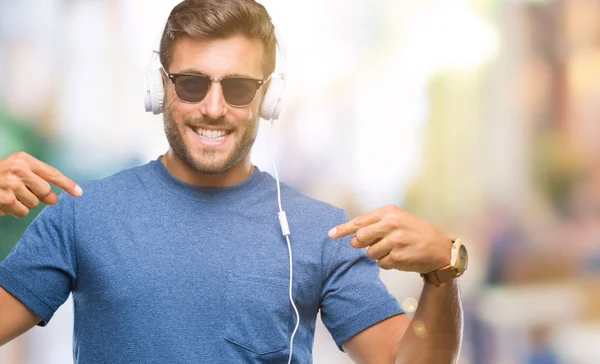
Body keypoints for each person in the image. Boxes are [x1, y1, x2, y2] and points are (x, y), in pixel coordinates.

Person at [0, 0, 466, 363]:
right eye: (192, 84)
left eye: (238, 87)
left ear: (267, 97)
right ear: (160, 87)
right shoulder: (84, 214)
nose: (214, 108)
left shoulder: (321, 233)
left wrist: (443, 271)